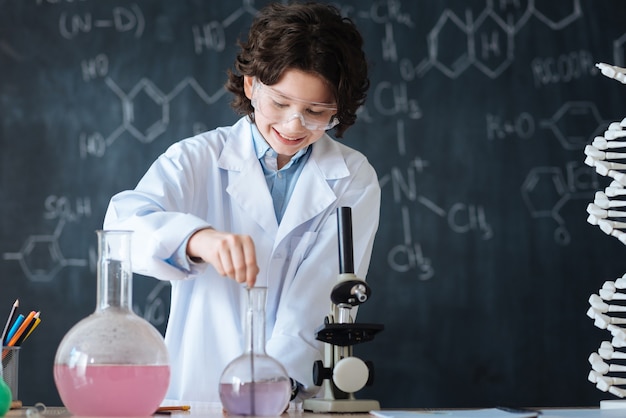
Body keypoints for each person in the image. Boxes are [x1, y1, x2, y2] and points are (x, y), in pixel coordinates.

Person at [103, 1, 380, 407]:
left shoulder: (353, 178)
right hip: (195, 393)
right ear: (251, 86)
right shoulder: (196, 159)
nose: (293, 125)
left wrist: (270, 389)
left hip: (292, 399)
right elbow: (121, 229)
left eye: (316, 112)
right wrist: (199, 239)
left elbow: (320, 300)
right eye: (280, 104)